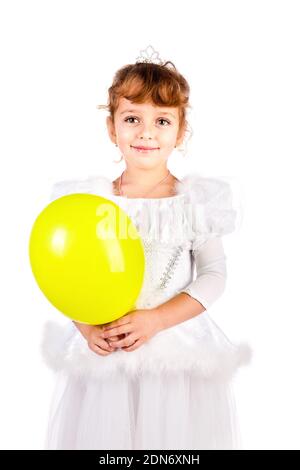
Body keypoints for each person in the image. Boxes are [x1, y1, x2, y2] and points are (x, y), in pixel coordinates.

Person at [41, 45, 252, 450]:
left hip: (174, 354)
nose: (146, 132)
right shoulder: (93, 202)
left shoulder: (195, 203)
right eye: (132, 118)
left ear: (181, 131)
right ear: (112, 128)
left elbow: (214, 275)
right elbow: (67, 271)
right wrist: (85, 327)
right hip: (109, 357)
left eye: (162, 120)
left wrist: (156, 320)